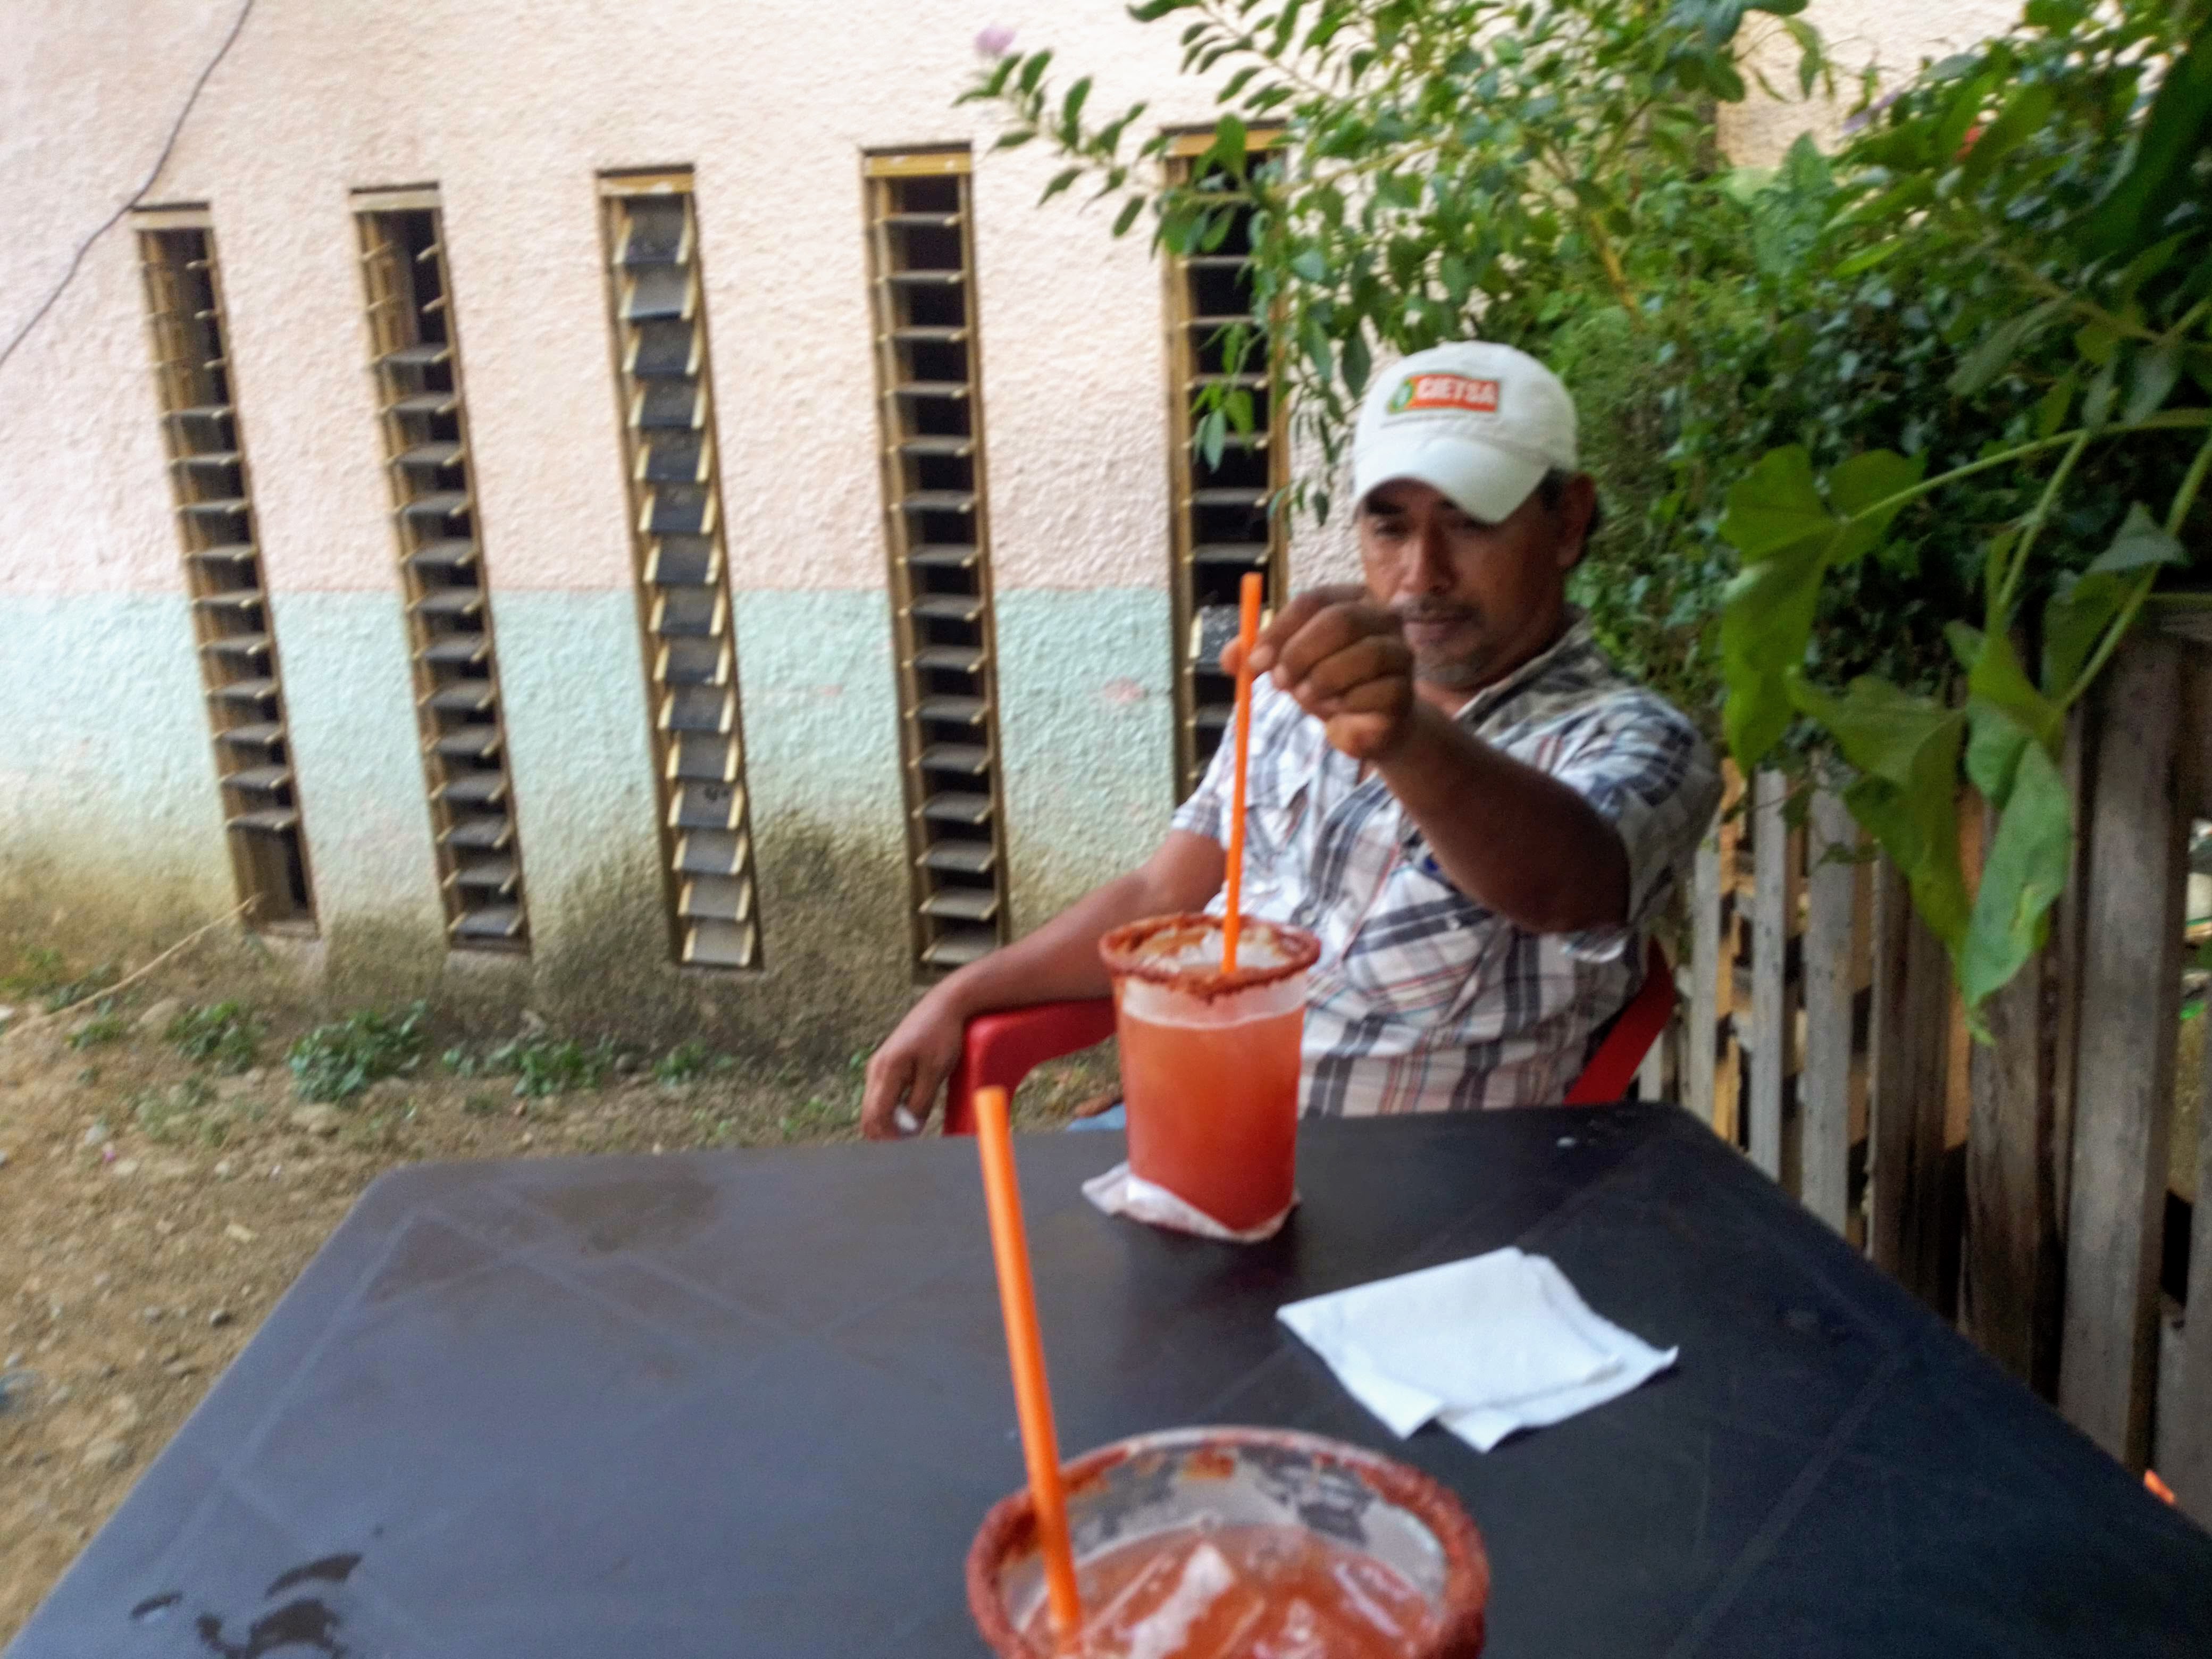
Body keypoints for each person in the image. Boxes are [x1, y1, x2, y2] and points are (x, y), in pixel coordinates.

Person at [861, 340, 1721, 1136]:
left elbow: (1570, 884)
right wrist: (967, 990)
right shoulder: (1290, 689)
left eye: (1469, 522)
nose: (1422, 574)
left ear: (1568, 522)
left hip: (1413, 1204)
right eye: (1390, 526)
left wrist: (1405, 736)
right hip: (1184, 1131)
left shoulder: (1638, 740)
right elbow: (1163, 892)